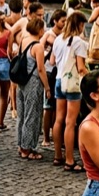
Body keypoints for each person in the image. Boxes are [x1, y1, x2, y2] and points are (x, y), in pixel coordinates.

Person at [52, 12, 89, 172]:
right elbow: (80, 67)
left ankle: (57, 155)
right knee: (70, 122)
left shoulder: (58, 39)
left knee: (59, 119)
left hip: (59, 80)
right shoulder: (79, 42)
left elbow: (52, 61)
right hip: (72, 83)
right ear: (79, 25)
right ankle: (69, 159)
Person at [14, 18, 50, 160]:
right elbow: (41, 69)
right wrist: (47, 87)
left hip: (22, 81)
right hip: (33, 82)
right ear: (40, 30)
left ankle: (21, 144)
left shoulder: (24, 40)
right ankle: (28, 149)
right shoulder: (38, 46)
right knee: (32, 115)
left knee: (22, 115)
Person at [42, 9, 67, 150]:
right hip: (50, 72)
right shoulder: (49, 35)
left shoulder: (63, 36)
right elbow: (49, 58)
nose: (64, 24)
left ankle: (54, 134)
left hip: (59, 72)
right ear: (55, 21)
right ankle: (46, 137)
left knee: (57, 107)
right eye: (62, 21)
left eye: (66, 21)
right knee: (49, 106)